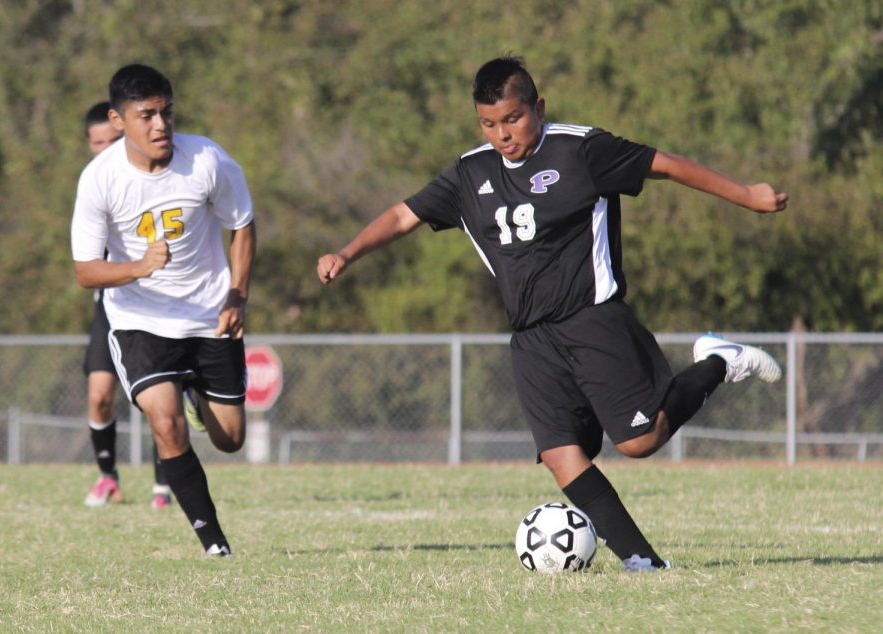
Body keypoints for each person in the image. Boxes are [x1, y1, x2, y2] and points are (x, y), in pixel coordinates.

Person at [318, 56, 788, 571]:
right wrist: (347, 252)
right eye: (489, 123)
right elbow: (403, 215)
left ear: (538, 107)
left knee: (640, 440)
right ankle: (642, 561)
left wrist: (747, 195)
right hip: (531, 340)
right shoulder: (469, 173)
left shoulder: (581, 150)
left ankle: (719, 360)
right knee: (564, 458)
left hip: (592, 320)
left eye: (514, 119)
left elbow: (667, 165)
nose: (503, 134)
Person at [71, 64, 257, 556]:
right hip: (141, 321)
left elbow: (242, 224)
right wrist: (137, 267)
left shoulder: (207, 160)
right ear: (118, 120)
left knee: (231, 440)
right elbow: (86, 270)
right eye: (146, 115)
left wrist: (238, 292)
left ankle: (199, 394)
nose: (160, 125)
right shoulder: (100, 180)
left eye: (166, 112)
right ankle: (213, 542)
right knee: (165, 422)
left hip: (209, 316)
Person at [80, 101, 174, 510]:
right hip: (111, 303)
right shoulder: (94, 184)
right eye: (97, 142)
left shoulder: (150, 179)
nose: (105, 149)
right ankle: (108, 477)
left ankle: (163, 486)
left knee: (160, 398)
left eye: (112, 141)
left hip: (158, 302)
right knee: (99, 394)